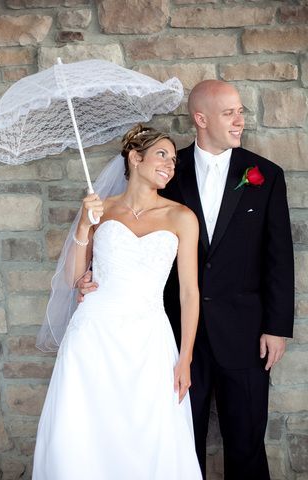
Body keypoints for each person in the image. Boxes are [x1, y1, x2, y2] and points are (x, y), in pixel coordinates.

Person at [78, 80, 294, 480]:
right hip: (172, 335)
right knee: (179, 440)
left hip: (245, 332)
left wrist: (276, 328)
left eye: (240, 111)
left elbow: (278, 256)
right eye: (230, 112)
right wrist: (95, 273)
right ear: (200, 118)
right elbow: (133, 232)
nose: (240, 120)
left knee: (246, 440)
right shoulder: (165, 170)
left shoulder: (266, 175)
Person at [33, 125, 203, 480]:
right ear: (135, 158)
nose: (170, 165)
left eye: (173, 160)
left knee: (146, 433)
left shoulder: (181, 217)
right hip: (93, 333)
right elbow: (72, 278)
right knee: (84, 429)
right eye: (162, 155)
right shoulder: (102, 209)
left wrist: (185, 357)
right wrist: (83, 225)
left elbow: (189, 293)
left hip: (149, 339)